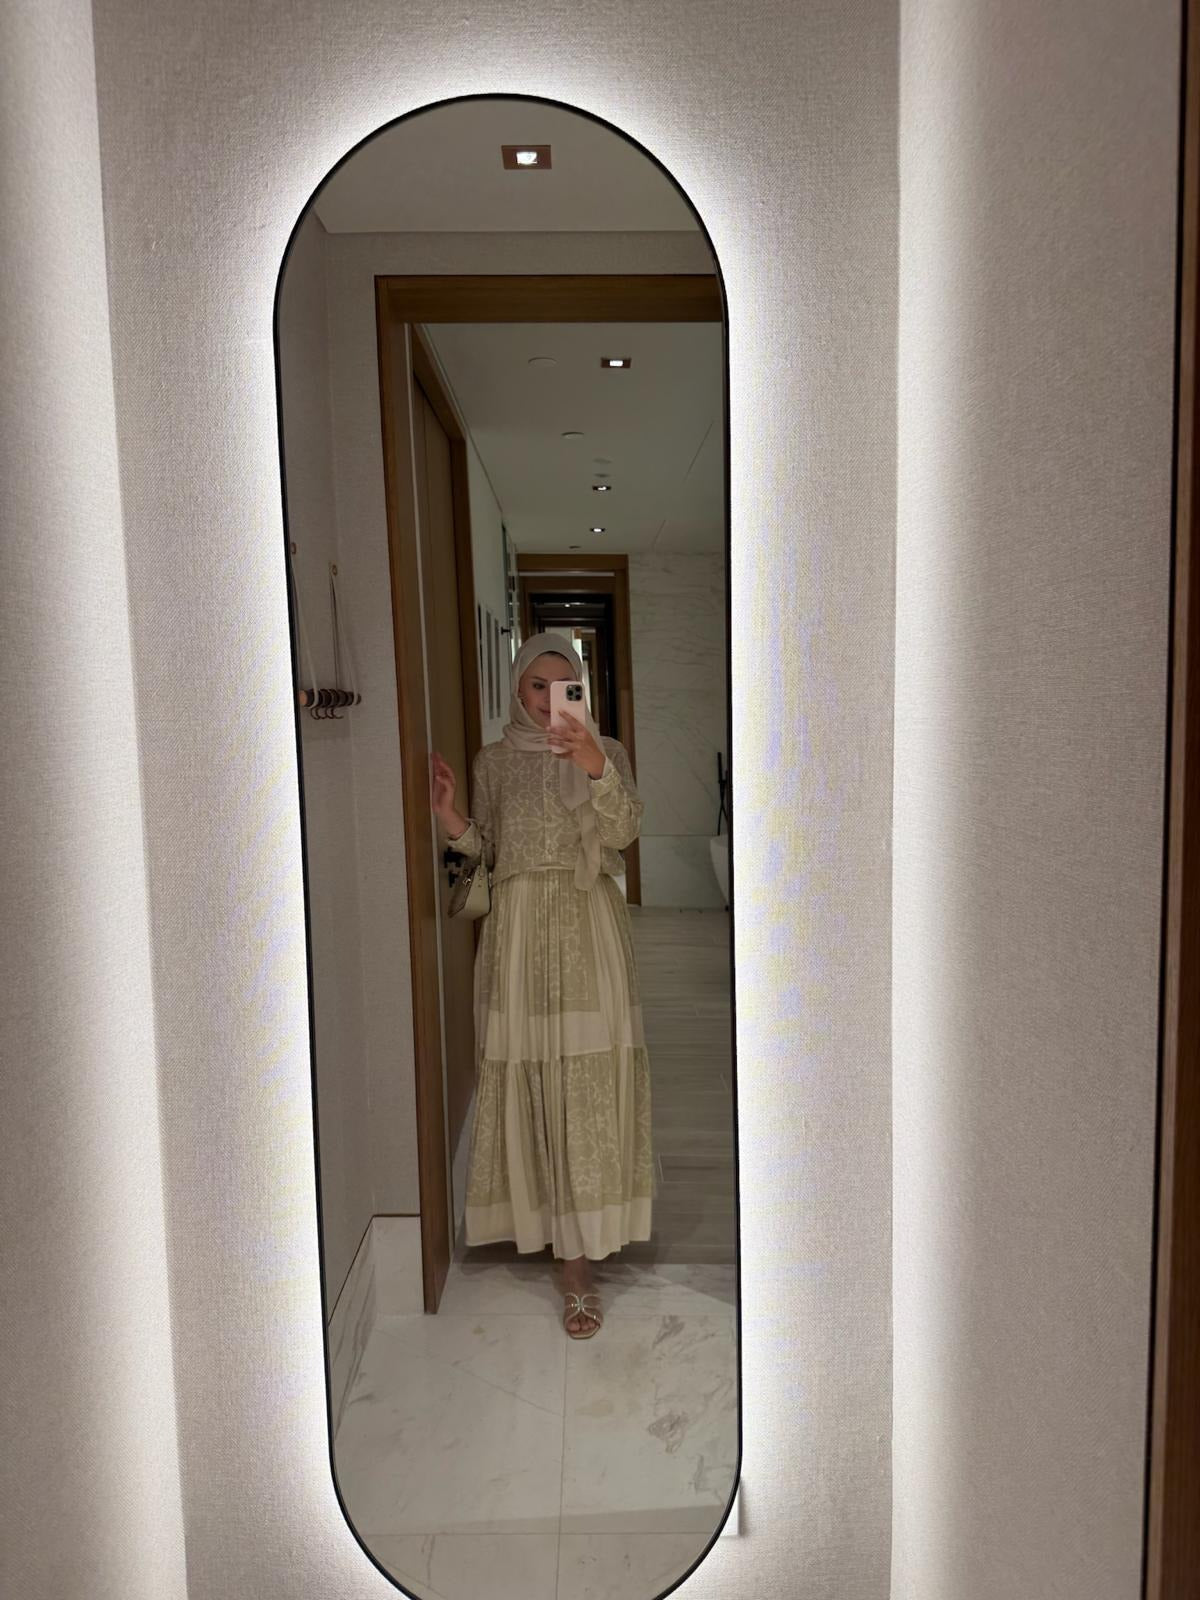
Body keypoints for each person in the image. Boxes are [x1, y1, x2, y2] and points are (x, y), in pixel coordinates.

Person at [430, 631, 655, 1338]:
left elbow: (623, 832)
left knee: (588, 1082)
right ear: (519, 688)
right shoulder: (492, 760)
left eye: (565, 686)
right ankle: (549, 1229)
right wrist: (450, 817)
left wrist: (594, 765)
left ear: (581, 691)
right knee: (532, 1075)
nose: (549, 699)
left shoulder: (606, 750)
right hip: (519, 933)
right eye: (537, 684)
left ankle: (581, 1261)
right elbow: (487, 853)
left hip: (589, 926)